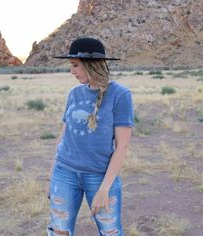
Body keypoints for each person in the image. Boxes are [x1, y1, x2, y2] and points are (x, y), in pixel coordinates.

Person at [47, 37, 134, 236]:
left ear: (91, 65)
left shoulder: (120, 94)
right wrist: (52, 175)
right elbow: (64, 135)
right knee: (59, 230)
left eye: (75, 65)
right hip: (64, 172)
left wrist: (104, 188)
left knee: (110, 231)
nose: (72, 71)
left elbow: (122, 147)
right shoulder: (74, 93)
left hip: (99, 176)